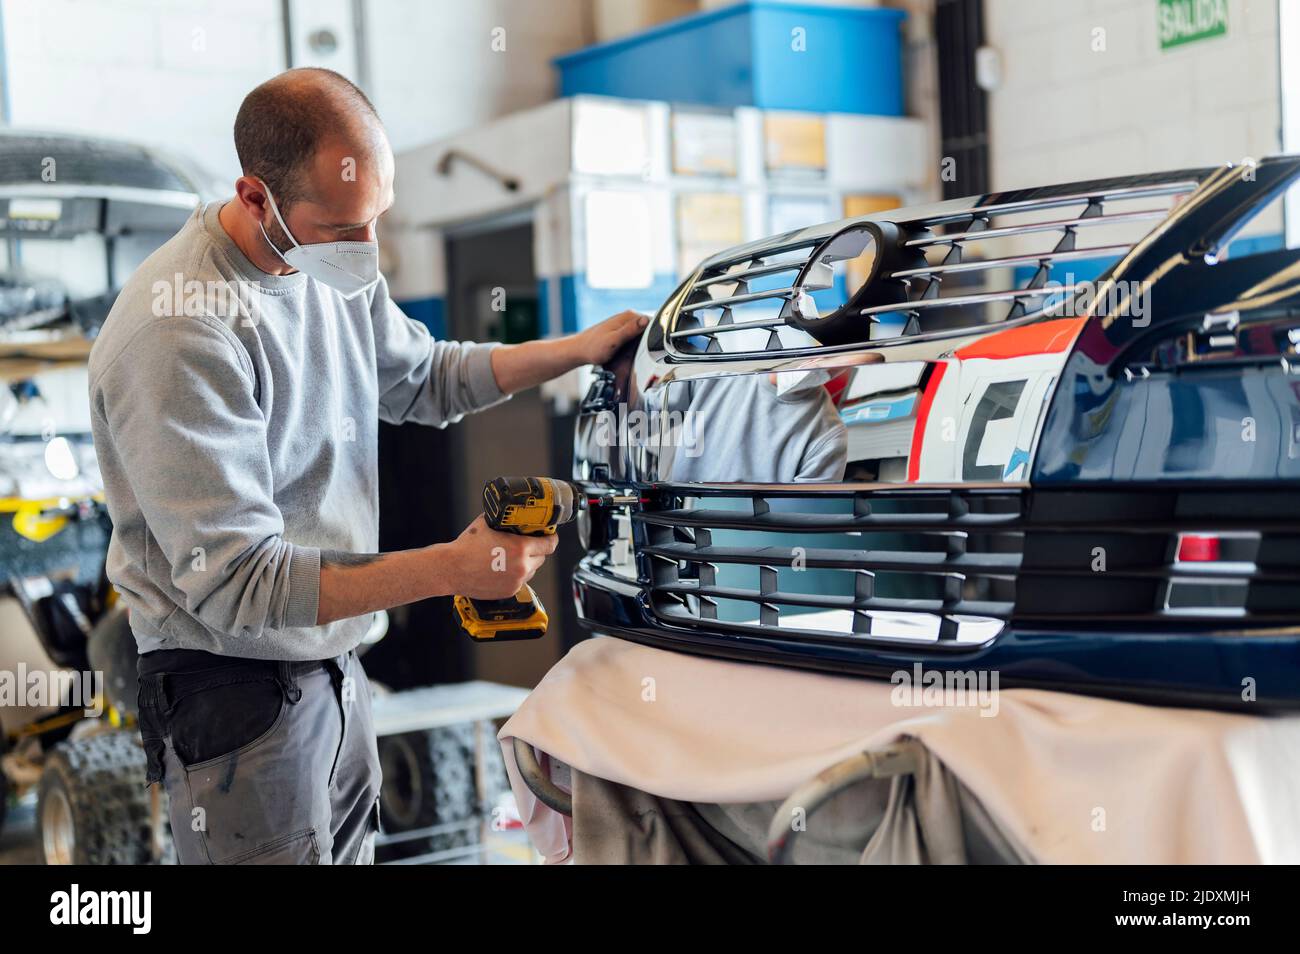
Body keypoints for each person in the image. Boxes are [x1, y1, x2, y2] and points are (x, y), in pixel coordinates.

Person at [87, 67, 645, 864]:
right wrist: (454, 569)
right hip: (230, 689)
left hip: (336, 662)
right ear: (256, 198)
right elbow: (239, 581)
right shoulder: (177, 335)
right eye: (344, 228)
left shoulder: (330, 264)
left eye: (377, 219)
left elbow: (425, 377)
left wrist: (574, 350)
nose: (368, 250)